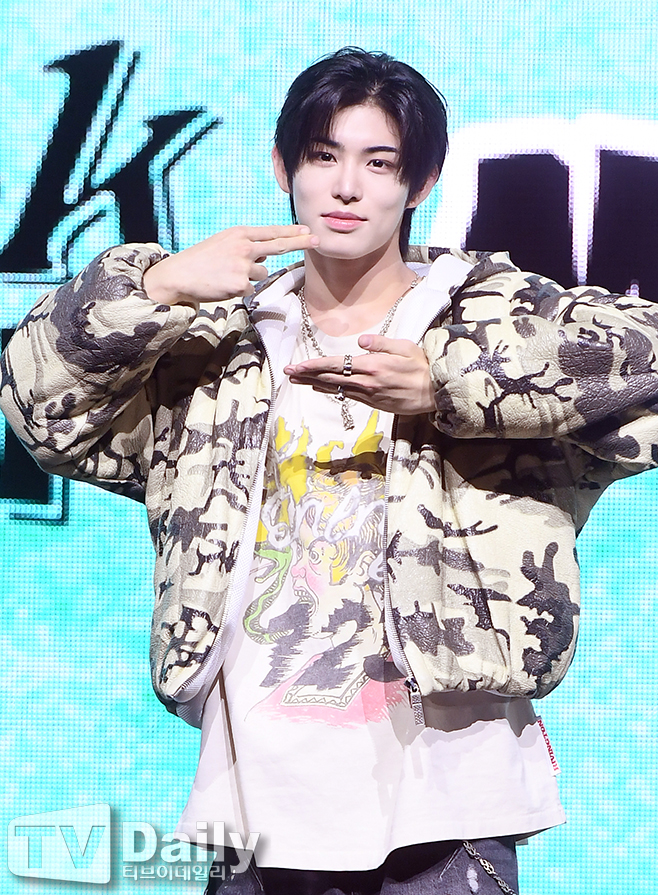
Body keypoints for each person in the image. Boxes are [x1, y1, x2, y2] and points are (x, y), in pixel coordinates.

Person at [2, 47, 658, 895]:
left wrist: (450, 383)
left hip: (446, 813)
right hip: (254, 809)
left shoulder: (489, 318)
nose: (347, 187)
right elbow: (37, 403)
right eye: (323, 155)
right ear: (284, 167)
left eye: (379, 163)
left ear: (420, 183)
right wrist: (153, 287)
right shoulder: (216, 343)